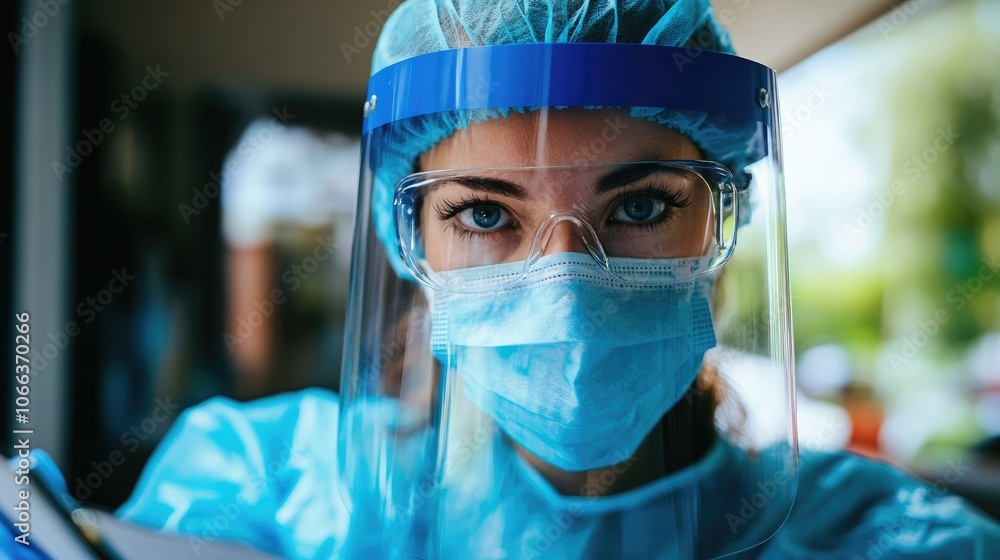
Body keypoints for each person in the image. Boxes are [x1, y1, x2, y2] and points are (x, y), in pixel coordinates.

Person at [4, 1, 999, 559]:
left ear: (722, 219)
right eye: (484, 213)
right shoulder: (264, 484)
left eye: (642, 204)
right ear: (411, 243)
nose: (564, 281)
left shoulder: (877, 540)